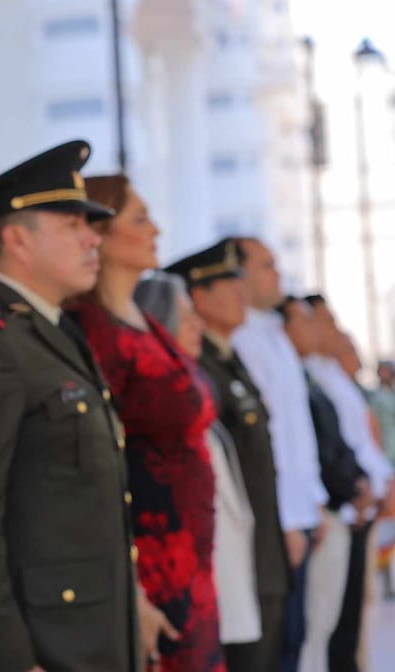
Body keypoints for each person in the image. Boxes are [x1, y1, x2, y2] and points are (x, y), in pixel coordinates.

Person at [0, 140, 139, 672]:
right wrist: (10, 661)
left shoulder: (52, 334)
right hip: (42, 650)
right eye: (74, 225)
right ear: (18, 239)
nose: (94, 239)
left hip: (92, 637)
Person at [69, 176, 223, 672]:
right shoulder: (91, 328)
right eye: (139, 219)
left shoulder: (140, 317)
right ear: (100, 234)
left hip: (189, 552)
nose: (156, 229)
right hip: (149, 560)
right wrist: (132, 588)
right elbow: (92, 462)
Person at [166, 238, 288, 672]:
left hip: (264, 553)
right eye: (231, 286)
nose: (243, 296)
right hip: (237, 564)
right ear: (199, 295)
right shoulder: (204, 374)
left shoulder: (232, 362)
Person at [229, 238, 327, 672]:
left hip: (300, 510)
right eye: (266, 266)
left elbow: (296, 433)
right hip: (281, 517)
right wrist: (288, 519)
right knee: (280, 641)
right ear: (241, 273)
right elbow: (269, 441)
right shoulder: (244, 339)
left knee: (298, 633)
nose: (277, 275)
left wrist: (313, 502)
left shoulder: (273, 334)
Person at [275, 296, 367, 672]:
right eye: (307, 321)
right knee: (309, 629)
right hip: (316, 511)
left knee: (329, 624)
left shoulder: (315, 376)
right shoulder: (290, 371)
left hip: (330, 506)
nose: (317, 329)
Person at [303, 306, 392, 672]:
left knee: (352, 612)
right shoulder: (315, 377)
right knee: (325, 622)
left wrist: (375, 483)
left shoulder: (337, 382)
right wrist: (356, 488)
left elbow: (361, 443)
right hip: (337, 507)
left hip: (358, 501)